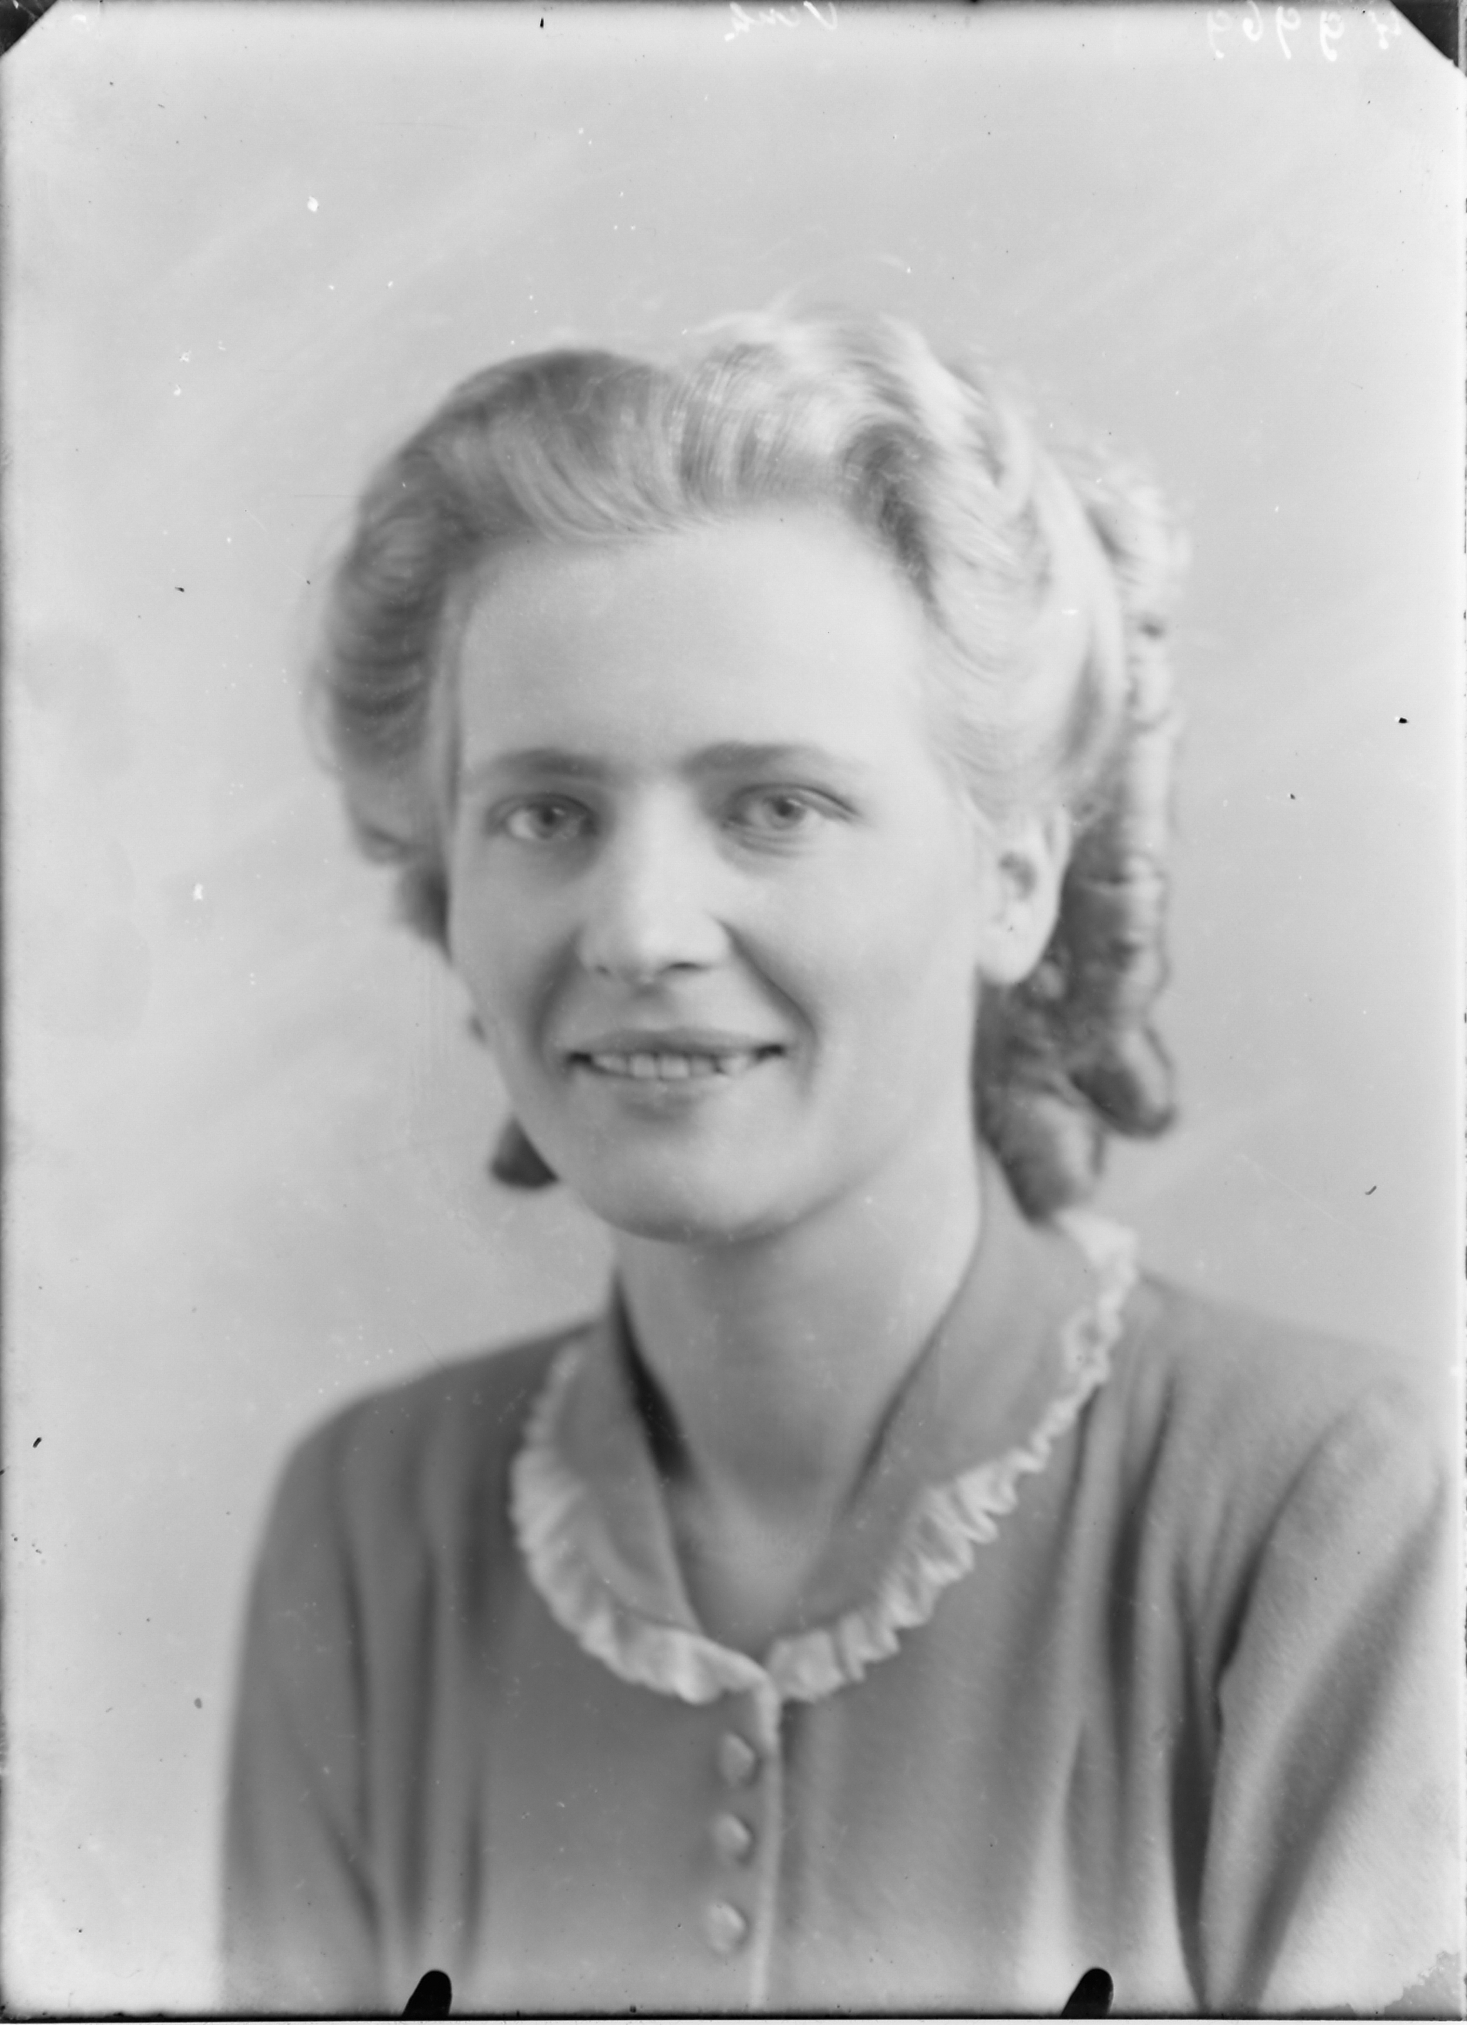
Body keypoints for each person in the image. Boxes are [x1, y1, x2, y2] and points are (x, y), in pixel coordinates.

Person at [223, 311, 1461, 2017]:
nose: (639, 928)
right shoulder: (370, 1531)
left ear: (1015, 879)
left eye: (775, 806)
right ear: (450, 891)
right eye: (546, 813)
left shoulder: (1321, 1507)